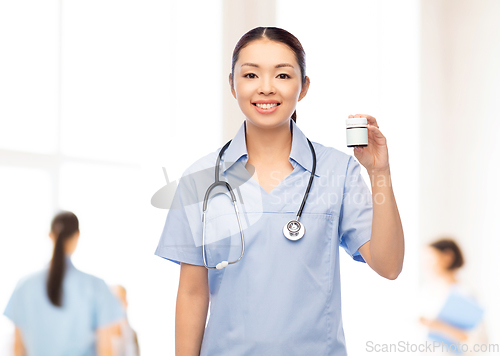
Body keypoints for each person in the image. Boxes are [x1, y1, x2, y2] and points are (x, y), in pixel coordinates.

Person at [155, 26, 404, 355]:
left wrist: (379, 172)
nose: (266, 88)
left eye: (283, 75)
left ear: (303, 87)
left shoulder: (337, 171)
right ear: (232, 84)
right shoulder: (202, 178)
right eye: (251, 75)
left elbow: (389, 266)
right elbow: (192, 293)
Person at [3, 211, 124, 356]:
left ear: (50, 236)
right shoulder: (95, 286)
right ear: (77, 235)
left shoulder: (24, 287)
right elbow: (106, 350)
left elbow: (18, 349)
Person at [419, 238, 489, 355]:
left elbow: (480, 341)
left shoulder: (465, 294)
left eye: (430, 259)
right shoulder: (426, 291)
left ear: (448, 257)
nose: (425, 265)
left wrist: (439, 326)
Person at [110, 285, 140, 356]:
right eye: (119, 299)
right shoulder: (100, 335)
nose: (125, 302)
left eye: (124, 298)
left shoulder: (132, 334)